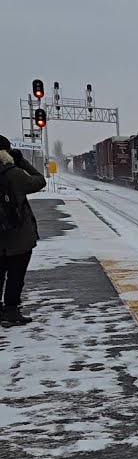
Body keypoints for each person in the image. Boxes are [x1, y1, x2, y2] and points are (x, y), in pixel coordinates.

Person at [0, 134, 47, 327]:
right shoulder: (12, 174)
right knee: (15, 275)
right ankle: (11, 310)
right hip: (17, 236)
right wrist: (21, 162)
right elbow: (39, 180)